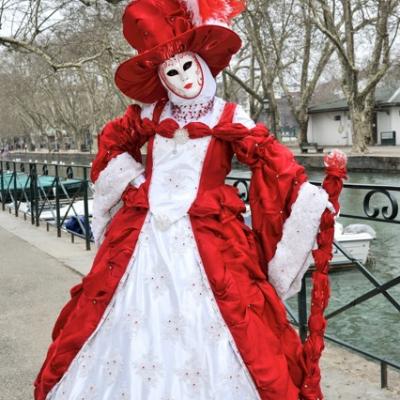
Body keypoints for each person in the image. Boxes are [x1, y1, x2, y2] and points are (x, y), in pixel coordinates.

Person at [34, 1, 346, 399]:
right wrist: (134, 184)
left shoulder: (230, 117)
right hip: (143, 235)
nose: (182, 79)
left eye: (187, 67)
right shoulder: (149, 115)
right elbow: (112, 144)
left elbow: (272, 161)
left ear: (202, 65)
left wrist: (308, 196)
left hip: (210, 237)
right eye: (172, 72)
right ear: (162, 78)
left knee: (228, 321)